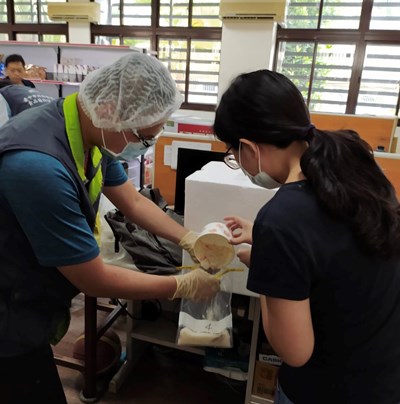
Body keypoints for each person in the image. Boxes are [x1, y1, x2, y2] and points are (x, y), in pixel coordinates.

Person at [0, 52, 219, 404]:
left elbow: (132, 202)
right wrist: (181, 285)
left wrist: (188, 237)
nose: (146, 145)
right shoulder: (37, 167)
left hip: (30, 297)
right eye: (145, 136)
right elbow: (94, 280)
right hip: (8, 312)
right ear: (107, 112)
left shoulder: (92, 134)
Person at [213, 69, 400, 404]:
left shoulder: (281, 218)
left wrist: (264, 268)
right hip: (383, 372)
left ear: (247, 147)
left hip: (330, 388)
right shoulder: (357, 167)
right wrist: (263, 238)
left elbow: (295, 351)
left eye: (233, 154)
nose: (238, 162)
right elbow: (335, 244)